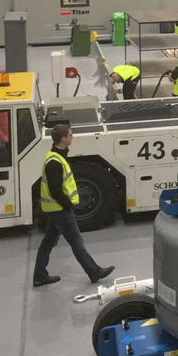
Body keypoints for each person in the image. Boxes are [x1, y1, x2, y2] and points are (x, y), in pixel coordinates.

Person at [33, 123, 115, 287]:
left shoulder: (55, 157)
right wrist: (67, 204)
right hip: (60, 209)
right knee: (76, 242)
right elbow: (55, 189)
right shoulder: (54, 162)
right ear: (63, 139)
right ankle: (94, 271)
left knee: (48, 242)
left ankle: (39, 275)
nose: (72, 137)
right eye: (70, 135)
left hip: (54, 209)